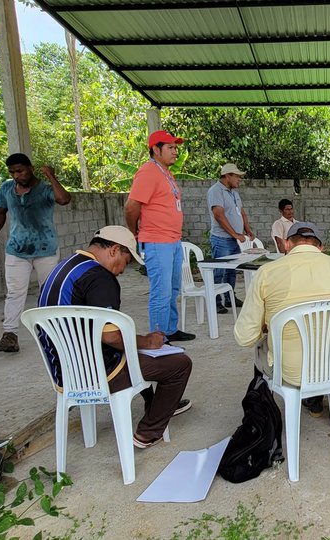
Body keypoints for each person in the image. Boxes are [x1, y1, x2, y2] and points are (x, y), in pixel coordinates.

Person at [37, 226, 194, 449]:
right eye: (126, 261)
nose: (122, 270)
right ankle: (148, 432)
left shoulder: (64, 266)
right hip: (95, 374)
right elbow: (111, 337)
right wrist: (147, 341)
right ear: (114, 250)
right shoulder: (100, 277)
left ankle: (156, 404)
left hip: (63, 370)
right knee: (179, 363)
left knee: (135, 349)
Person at [234, 221, 330, 417]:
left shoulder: (267, 273)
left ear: (288, 245)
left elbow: (244, 337)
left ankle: (264, 418)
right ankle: (315, 402)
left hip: (290, 372)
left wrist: (268, 326)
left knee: (261, 348)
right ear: (321, 247)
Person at [0, 153, 72, 353]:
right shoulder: (7, 188)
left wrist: (51, 176)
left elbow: (64, 199)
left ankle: (55, 334)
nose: (16, 175)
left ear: (30, 168)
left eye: (20, 170)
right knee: (14, 293)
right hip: (17, 249)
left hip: (45, 250)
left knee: (49, 291)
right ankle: (9, 336)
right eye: (12, 172)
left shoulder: (45, 190)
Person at [125, 130, 196, 342]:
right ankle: (158, 340)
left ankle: (170, 330)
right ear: (156, 149)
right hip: (157, 241)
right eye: (170, 147)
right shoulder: (148, 172)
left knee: (173, 289)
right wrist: (133, 233)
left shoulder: (165, 172)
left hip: (172, 240)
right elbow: (131, 207)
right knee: (161, 292)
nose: (175, 152)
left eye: (176, 147)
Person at [208, 163, 254, 313]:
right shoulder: (216, 191)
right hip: (222, 239)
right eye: (237, 176)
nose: (239, 179)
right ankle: (215, 301)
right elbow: (218, 215)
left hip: (234, 240)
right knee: (219, 271)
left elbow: (242, 213)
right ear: (227, 176)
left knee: (231, 270)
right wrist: (235, 234)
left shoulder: (234, 193)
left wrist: (247, 230)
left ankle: (229, 298)